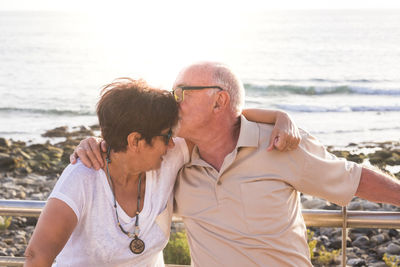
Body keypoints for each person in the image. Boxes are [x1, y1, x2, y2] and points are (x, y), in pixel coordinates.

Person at [73, 62, 400, 266]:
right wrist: (95, 144)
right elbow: (128, 143)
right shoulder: (173, 153)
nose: (172, 102)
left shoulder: (279, 144)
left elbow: (353, 179)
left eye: (181, 93)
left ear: (219, 100)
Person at [25, 78, 300, 267]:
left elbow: (219, 119)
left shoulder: (167, 158)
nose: (172, 142)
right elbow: (38, 255)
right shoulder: (83, 176)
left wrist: (279, 117)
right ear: (134, 141)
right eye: (166, 135)